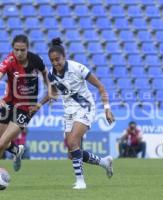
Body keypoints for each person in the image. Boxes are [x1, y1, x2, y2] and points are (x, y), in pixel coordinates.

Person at [30, 38, 115, 189]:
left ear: (64, 56)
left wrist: (107, 109)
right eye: (52, 60)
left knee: (72, 142)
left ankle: (80, 182)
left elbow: (101, 87)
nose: (55, 63)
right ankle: (104, 162)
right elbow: (53, 93)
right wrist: (39, 104)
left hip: (85, 107)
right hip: (68, 112)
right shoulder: (51, 75)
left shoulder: (78, 68)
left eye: (58, 59)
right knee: (72, 153)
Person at [0, 34, 50, 189]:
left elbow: (45, 73)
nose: (19, 53)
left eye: (22, 50)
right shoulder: (9, 61)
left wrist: (48, 89)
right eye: (16, 49)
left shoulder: (36, 60)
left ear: (27, 49)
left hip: (26, 108)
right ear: (13, 48)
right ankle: (17, 150)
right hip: (8, 104)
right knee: (2, 144)